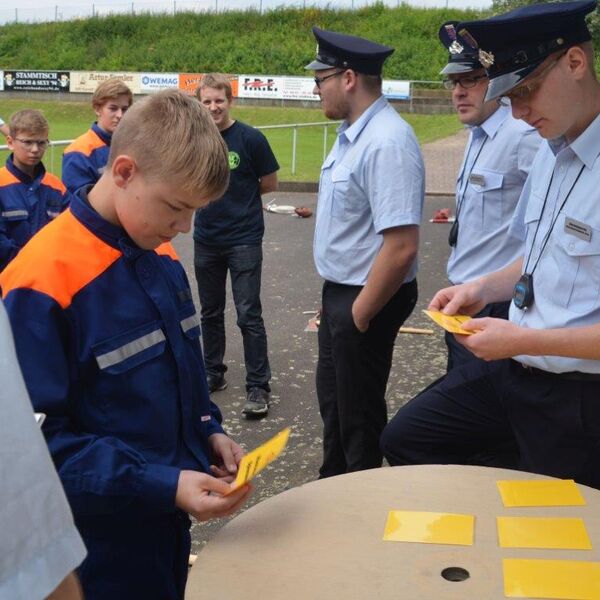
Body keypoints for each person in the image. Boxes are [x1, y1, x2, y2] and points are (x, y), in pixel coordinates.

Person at [0, 90, 252, 599]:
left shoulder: (157, 251)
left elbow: (182, 370)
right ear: (123, 172)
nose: (184, 228)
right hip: (93, 551)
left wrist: (208, 431)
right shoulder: (40, 281)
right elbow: (32, 451)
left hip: (162, 527)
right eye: (177, 208)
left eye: (196, 213)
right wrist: (161, 483)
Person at [382, 0, 600, 490]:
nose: (518, 114)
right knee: (408, 439)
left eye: (524, 91)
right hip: (517, 371)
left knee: (554, 542)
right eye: (506, 96)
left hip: (577, 396)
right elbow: (541, 256)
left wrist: (521, 340)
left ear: (575, 62)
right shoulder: (552, 150)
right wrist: (481, 287)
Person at [306, 28, 424, 478]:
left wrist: (358, 314)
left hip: (366, 295)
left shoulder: (387, 140)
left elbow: (401, 248)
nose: (317, 89)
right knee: (336, 406)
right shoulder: (354, 132)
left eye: (321, 80)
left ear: (348, 77)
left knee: (359, 416)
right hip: (344, 290)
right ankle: (333, 487)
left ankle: (359, 498)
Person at [438, 21, 542, 371]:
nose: (458, 91)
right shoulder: (477, 132)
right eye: (454, 82)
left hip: (497, 304)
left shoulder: (524, 135)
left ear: (498, 80)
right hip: (463, 297)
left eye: (471, 79)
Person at [194, 73, 279, 418]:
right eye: (207, 101)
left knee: (248, 314)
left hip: (243, 239)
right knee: (210, 313)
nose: (214, 107)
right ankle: (213, 373)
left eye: (219, 100)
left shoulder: (250, 139)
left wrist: (241, 199)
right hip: (206, 239)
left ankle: (258, 385)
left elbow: (269, 182)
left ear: (230, 101)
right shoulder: (195, 139)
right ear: (199, 103)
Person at [0, 299, 86, 600]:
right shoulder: (38, 281)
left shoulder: (164, 258)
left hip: (162, 514)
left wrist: (206, 428)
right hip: (102, 523)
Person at [0, 109, 70, 272]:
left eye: (41, 142)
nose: (34, 149)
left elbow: (70, 231)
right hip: (8, 281)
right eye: (27, 142)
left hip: (49, 279)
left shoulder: (56, 187)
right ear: (10, 142)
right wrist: (34, 262)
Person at [62, 77, 133, 194]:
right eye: (113, 108)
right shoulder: (78, 152)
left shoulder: (133, 145)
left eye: (124, 109)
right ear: (97, 108)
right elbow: (80, 205)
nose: (120, 115)